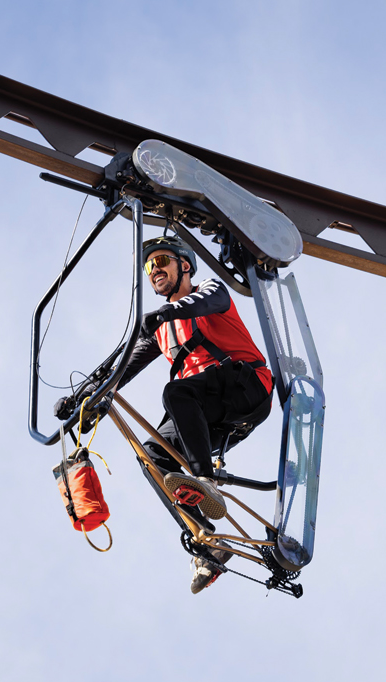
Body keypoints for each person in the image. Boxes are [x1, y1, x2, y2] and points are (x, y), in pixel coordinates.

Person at [75, 234, 274, 593]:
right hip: (210, 412)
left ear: (184, 265)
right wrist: (85, 393)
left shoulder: (209, 293)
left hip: (246, 386)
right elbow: (122, 367)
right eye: (149, 266)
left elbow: (209, 298)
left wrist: (168, 311)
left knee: (176, 391)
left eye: (162, 261)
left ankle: (205, 481)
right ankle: (208, 541)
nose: (154, 270)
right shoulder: (161, 330)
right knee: (152, 455)